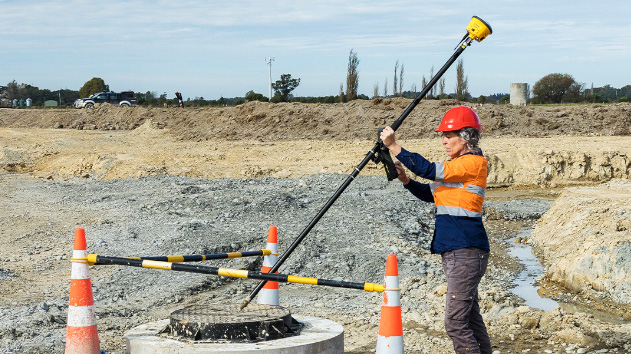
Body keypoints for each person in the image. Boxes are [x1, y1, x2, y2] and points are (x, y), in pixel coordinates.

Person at [379, 106, 491, 354]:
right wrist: (406, 180)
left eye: (448, 136)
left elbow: (429, 169)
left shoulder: (472, 163)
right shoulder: (458, 170)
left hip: (465, 252)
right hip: (459, 251)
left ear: (466, 136)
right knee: (470, 319)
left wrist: (395, 146)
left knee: (455, 323)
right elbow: (431, 193)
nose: (444, 141)